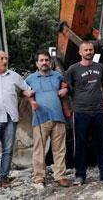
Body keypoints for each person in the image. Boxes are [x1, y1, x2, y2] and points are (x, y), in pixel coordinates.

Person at [0, 51, 36, 188]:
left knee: (8, 150)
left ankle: (4, 178)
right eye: (1, 58)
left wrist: (29, 94)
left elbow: (25, 89)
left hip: (11, 118)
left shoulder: (14, 76)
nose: (5, 61)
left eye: (6, 58)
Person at [63, 41, 103, 185]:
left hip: (98, 111)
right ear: (80, 52)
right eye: (86, 50)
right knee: (80, 144)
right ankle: (80, 175)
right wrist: (67, 107)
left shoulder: (99, 67)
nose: (89, 52)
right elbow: (64, 86)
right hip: (81, 112)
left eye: (91, 49)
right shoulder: (73, 69)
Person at [25, 50, 70, 187]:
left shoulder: (57, 76)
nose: (44, 63)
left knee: (60, 149)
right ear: (36, 63)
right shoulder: (30, 79)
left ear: (50, 61)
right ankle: (39, 177)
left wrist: (66, 90)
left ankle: (60, 176)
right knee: (39, 149)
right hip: (40, 118)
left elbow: (66, 87)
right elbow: (23, 91)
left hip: (58, 117)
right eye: (41, 60)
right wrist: (30, 99)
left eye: (46, 60)